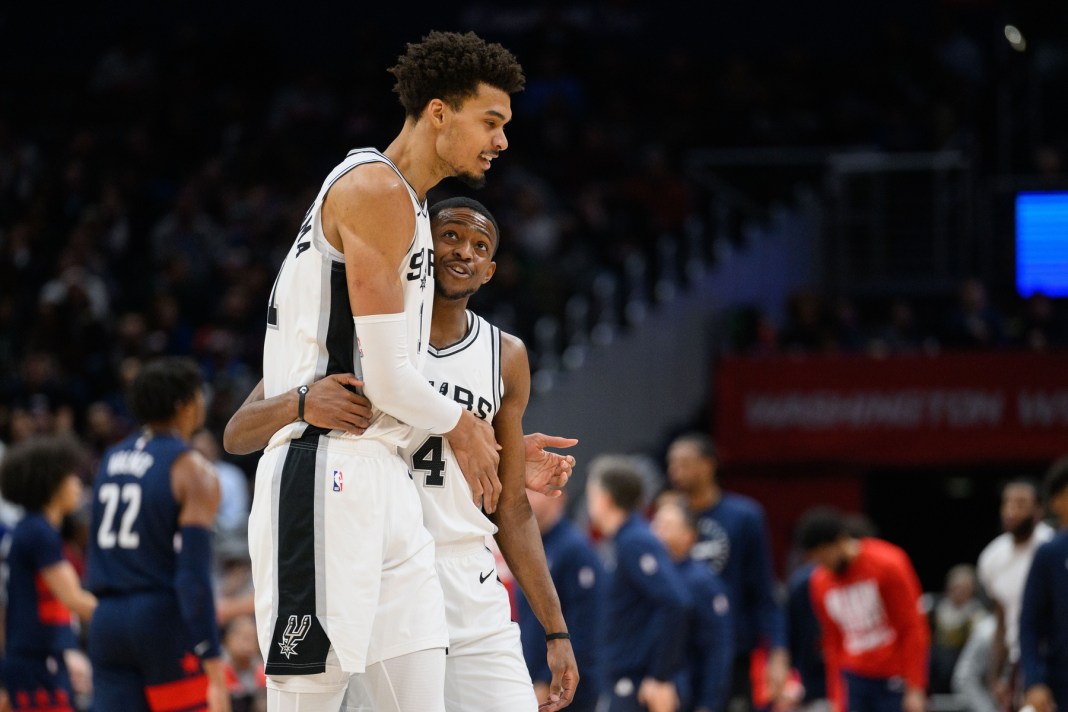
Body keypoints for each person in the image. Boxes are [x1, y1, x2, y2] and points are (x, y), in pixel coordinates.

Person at [246, 31, 525, 712]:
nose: (502, 141)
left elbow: (404, 385)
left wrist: (485, 433)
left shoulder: (411, 209)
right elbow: (389, 378)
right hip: (325, 468)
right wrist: (463, 424)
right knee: (308, 698)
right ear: (438, 113)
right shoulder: (374, 187)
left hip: (387, 474)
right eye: (491, 121)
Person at [226, 198, 579, 711]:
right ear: (418, 248)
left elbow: (512, 507)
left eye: (480, 246)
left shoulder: (506, 355)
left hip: (467, 571)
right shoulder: (358, 334)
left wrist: (555, 631)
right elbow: (237, 433)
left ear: (491, 270)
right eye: (451, 236)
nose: (463, 252)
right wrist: (302, 402)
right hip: (379, 567)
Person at [84, 356, 230, 711]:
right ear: (184, 404)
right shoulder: (192, 468)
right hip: (158, 618)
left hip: (106, 619)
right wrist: (211, 655)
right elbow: (193, 577)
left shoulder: (110, 459)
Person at [665, 433, 789, 711]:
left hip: (732, 648)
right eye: (672, 464)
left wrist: (777, 652)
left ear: (708, 465)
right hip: (677, 653)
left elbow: (763, 588)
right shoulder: (666, 518)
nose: (675, 471)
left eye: (684, 463)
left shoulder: (744, 516)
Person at [796, 506, 928, 712]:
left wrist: (915, 687)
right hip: (855, 677)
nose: (823, 566)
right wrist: (836, 698)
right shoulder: (819, 581)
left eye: (824, 558)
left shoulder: (888, 563)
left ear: (840, 541)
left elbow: (912, 627)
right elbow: (832, 641)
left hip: (893, 677)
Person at [586, 454, 691, 712]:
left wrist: (660, 676)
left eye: (591, 493)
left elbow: (676, 602)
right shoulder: (618, 542)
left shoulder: (635, 541)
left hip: (637, 684)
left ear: (605, 498)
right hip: (620, 679)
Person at [0, 435, 97, 712]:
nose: (78, 485)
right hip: (36, 660)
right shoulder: (39, 533)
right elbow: (74, 599)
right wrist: (130, 616)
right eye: (72, 477)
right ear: (52, 483)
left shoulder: (29, 529)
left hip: (33, 656)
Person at [520, 486, 604, 712]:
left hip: (565, 688)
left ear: (559, 498)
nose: (525, 497)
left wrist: (547, 680)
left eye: (533, 491)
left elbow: (585, 626)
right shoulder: (529, 546)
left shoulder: (574, 549)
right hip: (529, 677)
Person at [976, 477, 1054, 709]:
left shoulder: (1051, 546)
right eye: (1007, 503)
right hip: (1018, 660)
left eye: (1021, 503)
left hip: (1052, 657)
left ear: (1039, 510)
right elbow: (1001, 619)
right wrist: (996, 675)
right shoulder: (992, 557)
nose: (1011, 510)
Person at [651, 495, 733, 712]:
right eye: (656, 524)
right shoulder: (648, 575)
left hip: (686, 692)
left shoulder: (702, 582)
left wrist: (709, 702)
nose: (657, 531)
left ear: (688, 536)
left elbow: (717, 647)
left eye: (667, 526)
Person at [1018, 456, 1068, 712]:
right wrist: (1034, 681)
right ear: (1057, 501)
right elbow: (1028, 623)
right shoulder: (1051, 553)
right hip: (1062, 680)